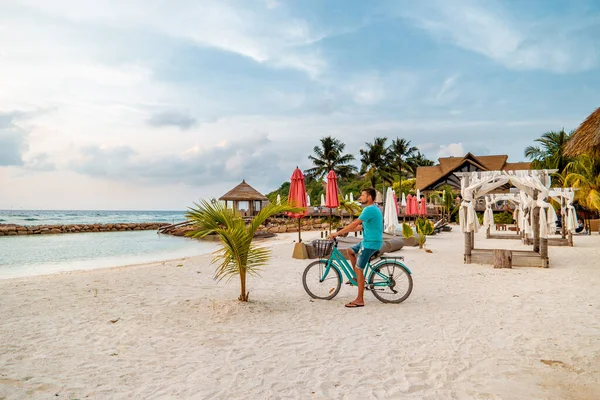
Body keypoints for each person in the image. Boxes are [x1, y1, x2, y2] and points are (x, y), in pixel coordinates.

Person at [330, 188, 383, 308]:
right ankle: (356, 277)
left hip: (370, 243)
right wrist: (343, 231)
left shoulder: (369, 209)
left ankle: (360, 299)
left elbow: (354, 223)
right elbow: (360, 227)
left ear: (369, 197)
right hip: (367, 241)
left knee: (360, 269)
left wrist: (337, 234)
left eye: (363, 195)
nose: (361, 197)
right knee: (350, 250)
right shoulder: (374, 208)